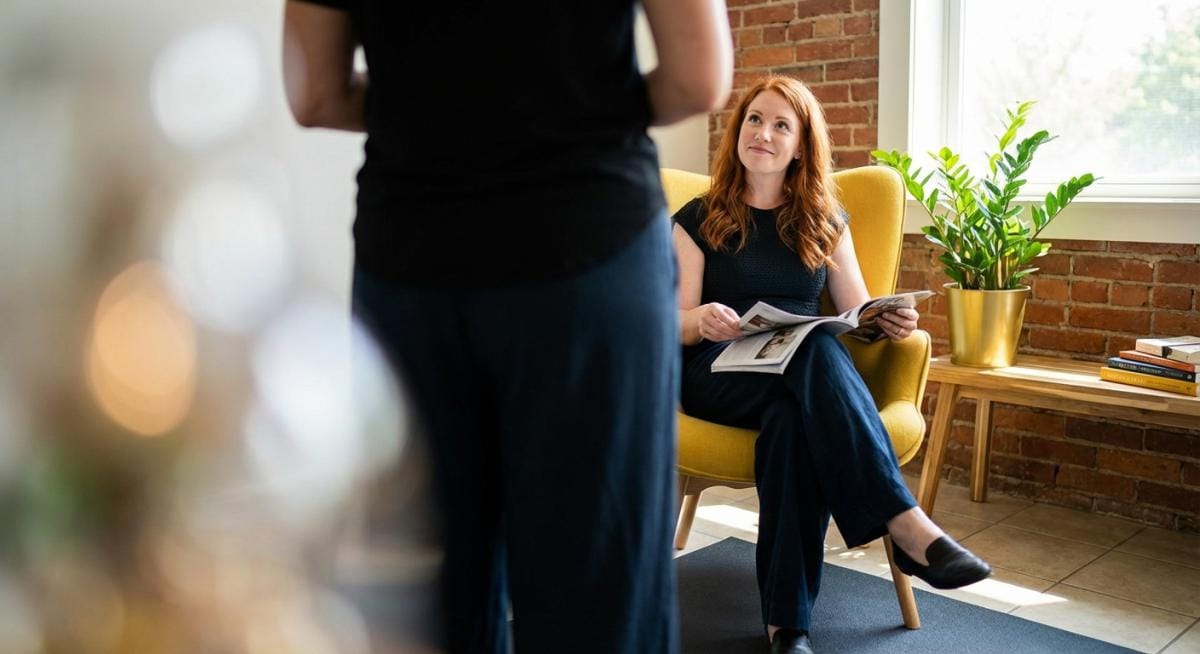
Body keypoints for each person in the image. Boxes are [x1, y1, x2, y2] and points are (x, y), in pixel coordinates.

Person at [282, 2, 732, 653]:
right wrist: (567, 107)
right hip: (586, 248)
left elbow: (314, 93)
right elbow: (698, 78)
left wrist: (440, 108)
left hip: (412, 259)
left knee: (429, 596)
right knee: (598, 590)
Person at [671, 76, 991, 654]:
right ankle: (904, 521)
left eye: (780, 125)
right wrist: (701, 321)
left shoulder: (824, 220)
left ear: (800, 147)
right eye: (753, 119)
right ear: (737, 130)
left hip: (793, 376)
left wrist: (886, 321)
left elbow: (855, 311)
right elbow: (669, 322)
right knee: (816, 350)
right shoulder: (698, 219)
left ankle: (787, 628)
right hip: (714, 371)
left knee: (797, 409)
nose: (762, 134)